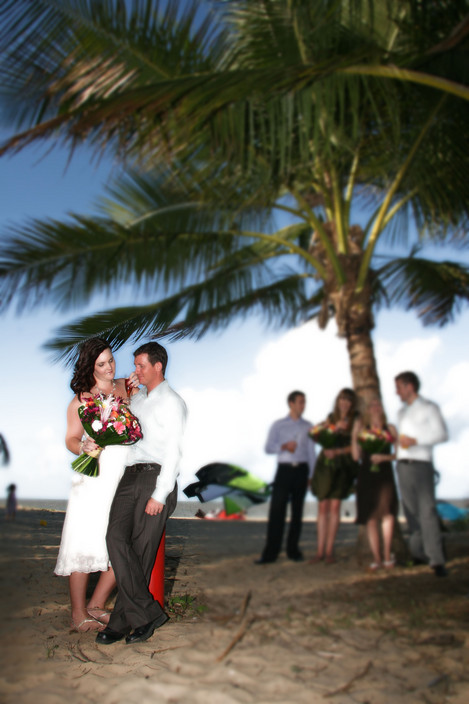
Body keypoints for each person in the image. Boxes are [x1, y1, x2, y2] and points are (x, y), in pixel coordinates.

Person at [97, 341, 187, 645]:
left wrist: (160, 495)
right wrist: (129, 386)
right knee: (114, 538)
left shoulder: (172, 402)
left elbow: (174, 452)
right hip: (129, 478)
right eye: (135, 365)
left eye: (140, 366)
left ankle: (122, 622)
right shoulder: (138, 400)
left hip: (155, 479)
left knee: (142, 553)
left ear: (157, 366)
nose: (135, 370)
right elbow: (116, 410)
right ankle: (149, 613)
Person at [55, 337, 132, 631]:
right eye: (102, 364)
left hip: (123, 474)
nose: (110, 367)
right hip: (93, 476)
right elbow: (70, 439)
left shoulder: (125, 386)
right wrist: (82, 448)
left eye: (111, 360)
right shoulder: (80, 399)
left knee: (122, 539)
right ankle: (78, 615)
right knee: (85, 539)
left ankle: (96, 604)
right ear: (90, 366)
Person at [394, 371, 448, 577]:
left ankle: (436, 560)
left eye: (399, 387)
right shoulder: (401, 413)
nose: (396, 391)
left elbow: (442, 433)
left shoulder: (429, 408)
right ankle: (418, 554)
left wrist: (416, 440)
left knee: (427, 512)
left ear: (410, 387)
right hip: (403, 465)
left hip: (422, 464)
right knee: (411, 512)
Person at [255, 391, 316, 564]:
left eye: (304, 402)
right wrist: (283, 446)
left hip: (301, 471)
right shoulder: (278, 425)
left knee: (297, 513)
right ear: (291, 403)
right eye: (300, 402)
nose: (303, 405)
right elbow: (268, 448)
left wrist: (312, 476)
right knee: (276, 512)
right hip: (284, 471)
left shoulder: (308, 426)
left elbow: (312, 453)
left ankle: (293, 551)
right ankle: (270, 554)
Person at [310, 388, 359, 564]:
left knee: (335, 507)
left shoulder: (356, 420)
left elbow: (356, 447)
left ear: (352, 403)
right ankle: (319, 551)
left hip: (343, 465)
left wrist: (338, 451)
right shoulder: (331, 417)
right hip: (325, 465)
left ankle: (330, 551)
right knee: (322, 507)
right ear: (338, 401)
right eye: (342, 399)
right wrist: (331, 429)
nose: (344, 403)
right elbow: (316, 433)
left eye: (348, 400)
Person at [352, 398, 399, 571]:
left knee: (388, 514)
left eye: (378, 404)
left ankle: (387, 556)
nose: (375, 408)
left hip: (385, 474)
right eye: (371, 405)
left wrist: (384, 457)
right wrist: (354, 433)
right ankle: (377, 558)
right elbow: (355, 457)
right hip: (366, 475)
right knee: (370, 517)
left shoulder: (390, 428)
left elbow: (399, 454)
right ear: (367, 410)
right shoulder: (363, 431)